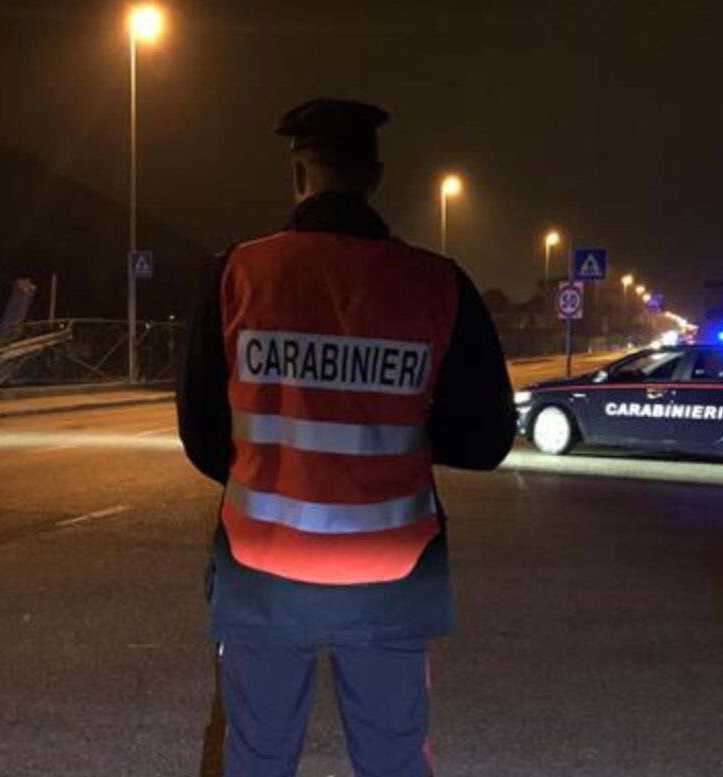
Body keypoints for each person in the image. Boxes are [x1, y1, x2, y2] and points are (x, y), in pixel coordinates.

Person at [178, 98, 515, 777]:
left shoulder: (237, 274)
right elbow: (488, 438)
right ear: (375, 177)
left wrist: (280, 462)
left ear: (299, 174)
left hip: (264, 566)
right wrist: (394, 428)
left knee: (257, 757)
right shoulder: (438, 283)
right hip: (394, 571)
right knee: (393, 759)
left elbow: (203, 434)